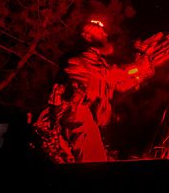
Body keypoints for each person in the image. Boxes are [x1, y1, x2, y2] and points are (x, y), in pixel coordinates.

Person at [35, 17, 151, 162]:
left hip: (90, 120)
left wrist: (141, 74)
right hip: (77, 115)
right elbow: (108, 76)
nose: (106, 35)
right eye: (100, 32)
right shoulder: (76, 61)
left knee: (100, 160)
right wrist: (137, 68)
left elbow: (118, 84)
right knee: (93, 163)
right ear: (87, 36)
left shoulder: (98, 63)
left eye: (105, 33)